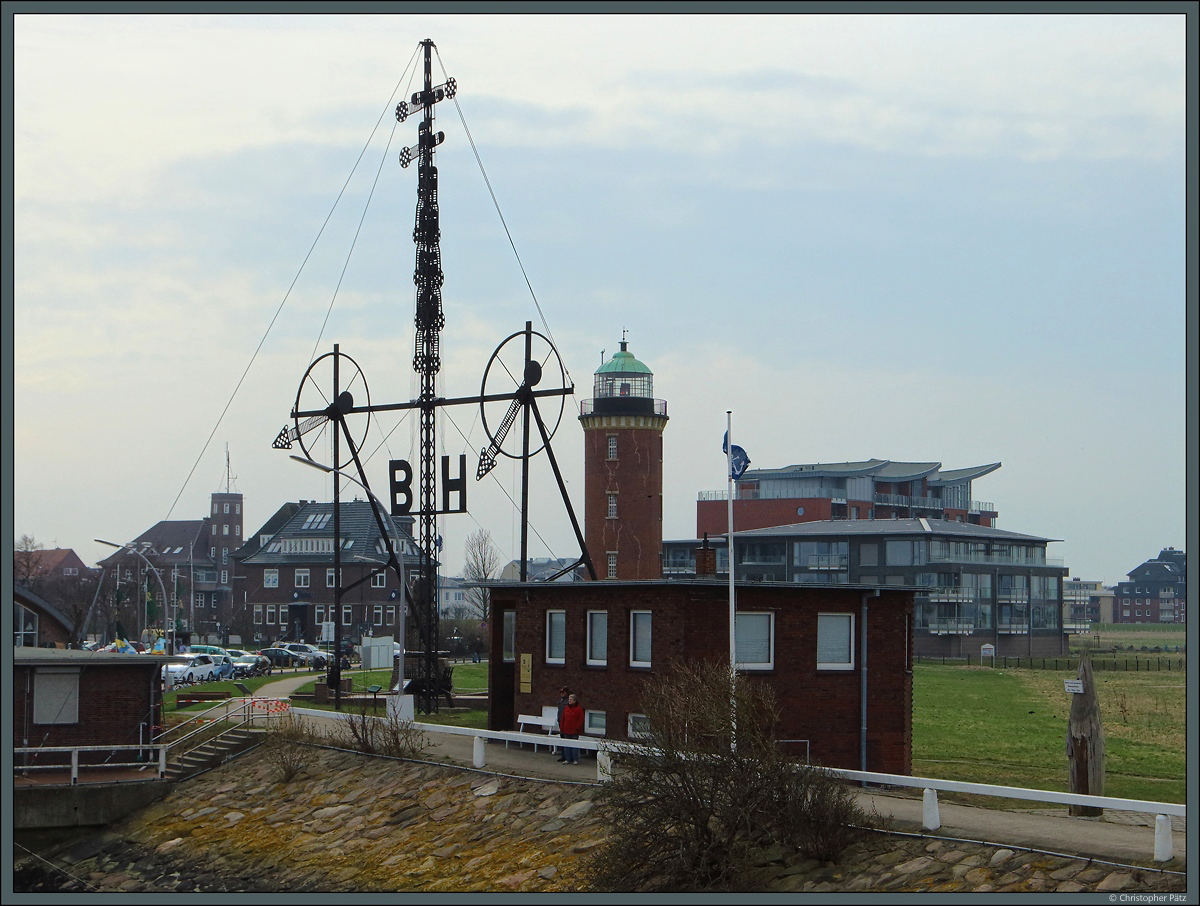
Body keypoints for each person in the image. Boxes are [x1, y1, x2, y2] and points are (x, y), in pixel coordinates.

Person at [559, 693, 584, 765]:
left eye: (570, 699)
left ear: (574, 701)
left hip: (574, 731)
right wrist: (562, 728)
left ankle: (575, 759)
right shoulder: (566, 708)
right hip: (566, 730)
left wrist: (577, 728)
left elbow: (581, 719)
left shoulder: (579, 709)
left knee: (574, 746)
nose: (569, 701)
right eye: (569, 699)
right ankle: (567, 759)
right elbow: (562, 718)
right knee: (567, 745)